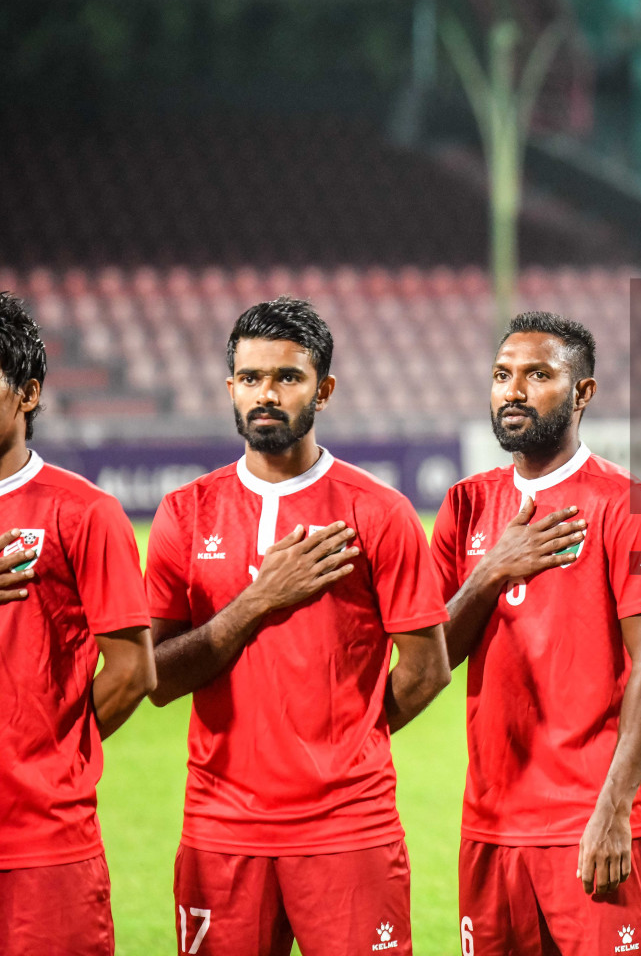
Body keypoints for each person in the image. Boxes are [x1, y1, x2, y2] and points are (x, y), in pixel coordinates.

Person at [145, 296, 451, 956]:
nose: (267, 393)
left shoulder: (380, 513)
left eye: (288, 377)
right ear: (230, 388)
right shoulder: (185, 513)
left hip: (349, 827)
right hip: (220, 827)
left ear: (324, 389)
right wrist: (256, 603)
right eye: (251, 378)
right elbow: (157, 679)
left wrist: (346, 746)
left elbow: (428, 669)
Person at [432, 311, 641, 956]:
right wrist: (488, 574)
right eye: (501, 375)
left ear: (583, 392)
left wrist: (617, 810)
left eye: (538, 375)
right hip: (491, 824)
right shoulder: (464, 504)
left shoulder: (628, 503)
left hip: (589, 821)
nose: (513, 390)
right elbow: (433, 659)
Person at [0, 291, 157, 956]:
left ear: (28, 393)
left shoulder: (83, 514)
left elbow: (131, 671)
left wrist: (49, 758)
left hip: (44, 844)